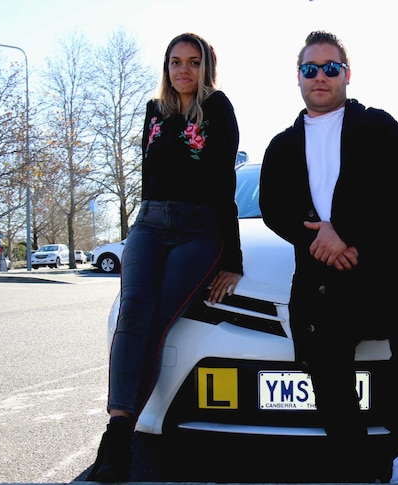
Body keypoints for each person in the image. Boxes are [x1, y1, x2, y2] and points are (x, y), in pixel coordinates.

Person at [258, 30, 398, 484]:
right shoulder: (281, 145)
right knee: (327, 361)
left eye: (330, 68)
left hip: (384, 271)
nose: (320, 77)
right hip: (321, 278)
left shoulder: (379, 127)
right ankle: (355, 465)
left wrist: (344, 232)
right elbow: (272, 207)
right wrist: (318, 240)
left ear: (347, 74)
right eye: (311, 69)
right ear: (299, 78)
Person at [87, 32, 243, 482]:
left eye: (193, 62)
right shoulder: (154, 111)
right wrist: (140, 226)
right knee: (132, 313)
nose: (183, 71)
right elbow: (149, 178)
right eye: (175, 62)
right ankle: (118, 435)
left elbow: (223, 185)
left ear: (206, 68)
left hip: (199, 230)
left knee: (157, 321)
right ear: (166, 67)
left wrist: (231, 258)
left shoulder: (218, 109)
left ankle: (120, 436)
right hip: (150, 224)